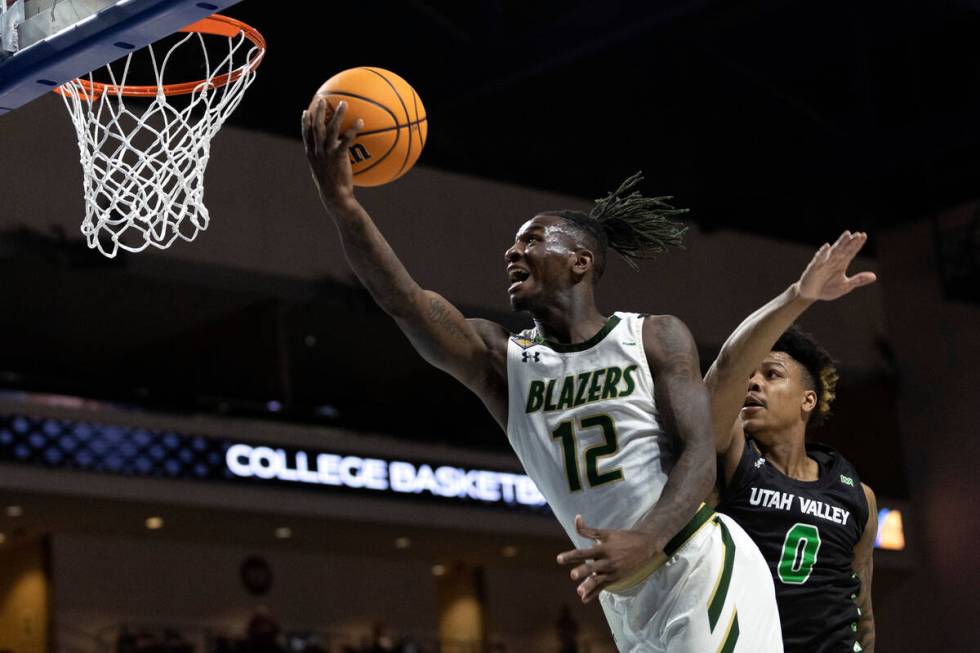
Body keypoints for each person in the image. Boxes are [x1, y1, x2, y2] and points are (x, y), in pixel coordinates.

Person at [303, 99, 780, 653]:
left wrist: (647, 539)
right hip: (625, 597)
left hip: (694, 562)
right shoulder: (502, 361)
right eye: (513, 242)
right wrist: (343, 206)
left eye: (532, 240)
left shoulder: (652, 336)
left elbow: (699, 457)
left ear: (581, 262)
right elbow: (406, 302)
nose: (513, 251)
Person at [704, 232, 878, 652]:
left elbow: (864, 613)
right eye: (752, 375)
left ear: (808, 400)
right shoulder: (732, 456)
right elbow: (729, 365)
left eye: (772, 374)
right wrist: (800, 296)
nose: (753, 383)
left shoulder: (858, 496)